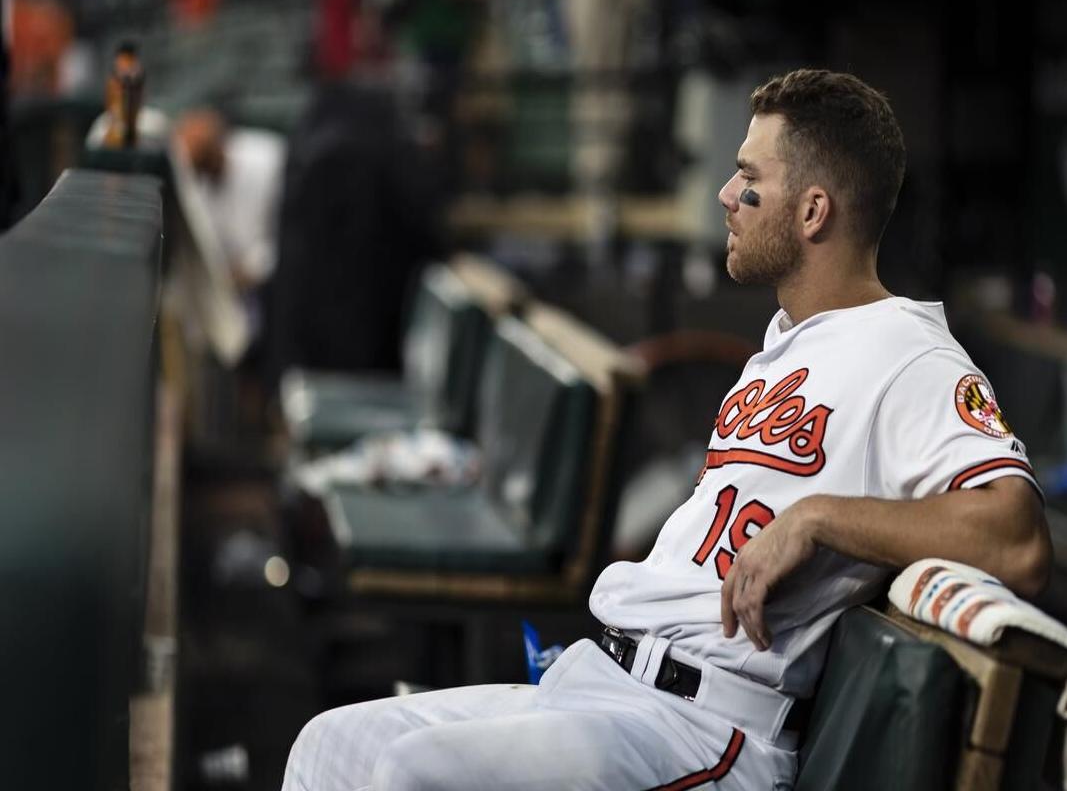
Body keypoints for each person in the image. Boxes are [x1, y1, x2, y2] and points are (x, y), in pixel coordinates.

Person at [281, 69, 1051, 791]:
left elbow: (1016, 541)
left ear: (813, 212)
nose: (724, 193)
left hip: (704, 727)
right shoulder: (786, 343)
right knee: (329, 748)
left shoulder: (907, 352)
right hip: (610, 684)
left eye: (749, 179)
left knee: (417, 774)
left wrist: (820, 519)